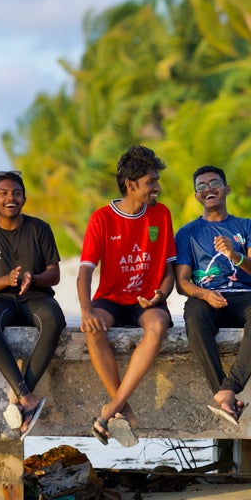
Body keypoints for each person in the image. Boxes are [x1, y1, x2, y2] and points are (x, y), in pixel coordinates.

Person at [78, 145, 176, 447]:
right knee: (92, 329)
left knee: (157, 326)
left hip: (148, 301)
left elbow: (169, 273)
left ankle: (111, 409)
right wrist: (86, 311)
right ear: (131, 185)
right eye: (151, 182)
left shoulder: (161, 214)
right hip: (111, 298)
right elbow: (84, 273)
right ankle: (124, 406)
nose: (157, 187)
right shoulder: (102, 218)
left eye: (157, 181)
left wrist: (160, 294)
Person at [175, 166, 251, 425]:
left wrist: (235, 256)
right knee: (195, 318)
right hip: (205, 297)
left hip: (242, 295)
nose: (208, 188)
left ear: (226, 189)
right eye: (201, 186)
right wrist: (205, 295)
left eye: (214, 183)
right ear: (197, 195)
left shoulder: (246, 226)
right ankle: (225, 392)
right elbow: (182, 282)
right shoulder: (187, 233)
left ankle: (227, 391)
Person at [0, 170, 64, 440]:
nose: (10, 198)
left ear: (24, 198)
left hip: (36, 296)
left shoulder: (39, 229)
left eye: (16, 193)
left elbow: (54, 274)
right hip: (1, 299)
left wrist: (33, 277)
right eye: (3, 193)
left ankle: (22, 397)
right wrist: (6, 279)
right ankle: (27, 397)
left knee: (54, 319)